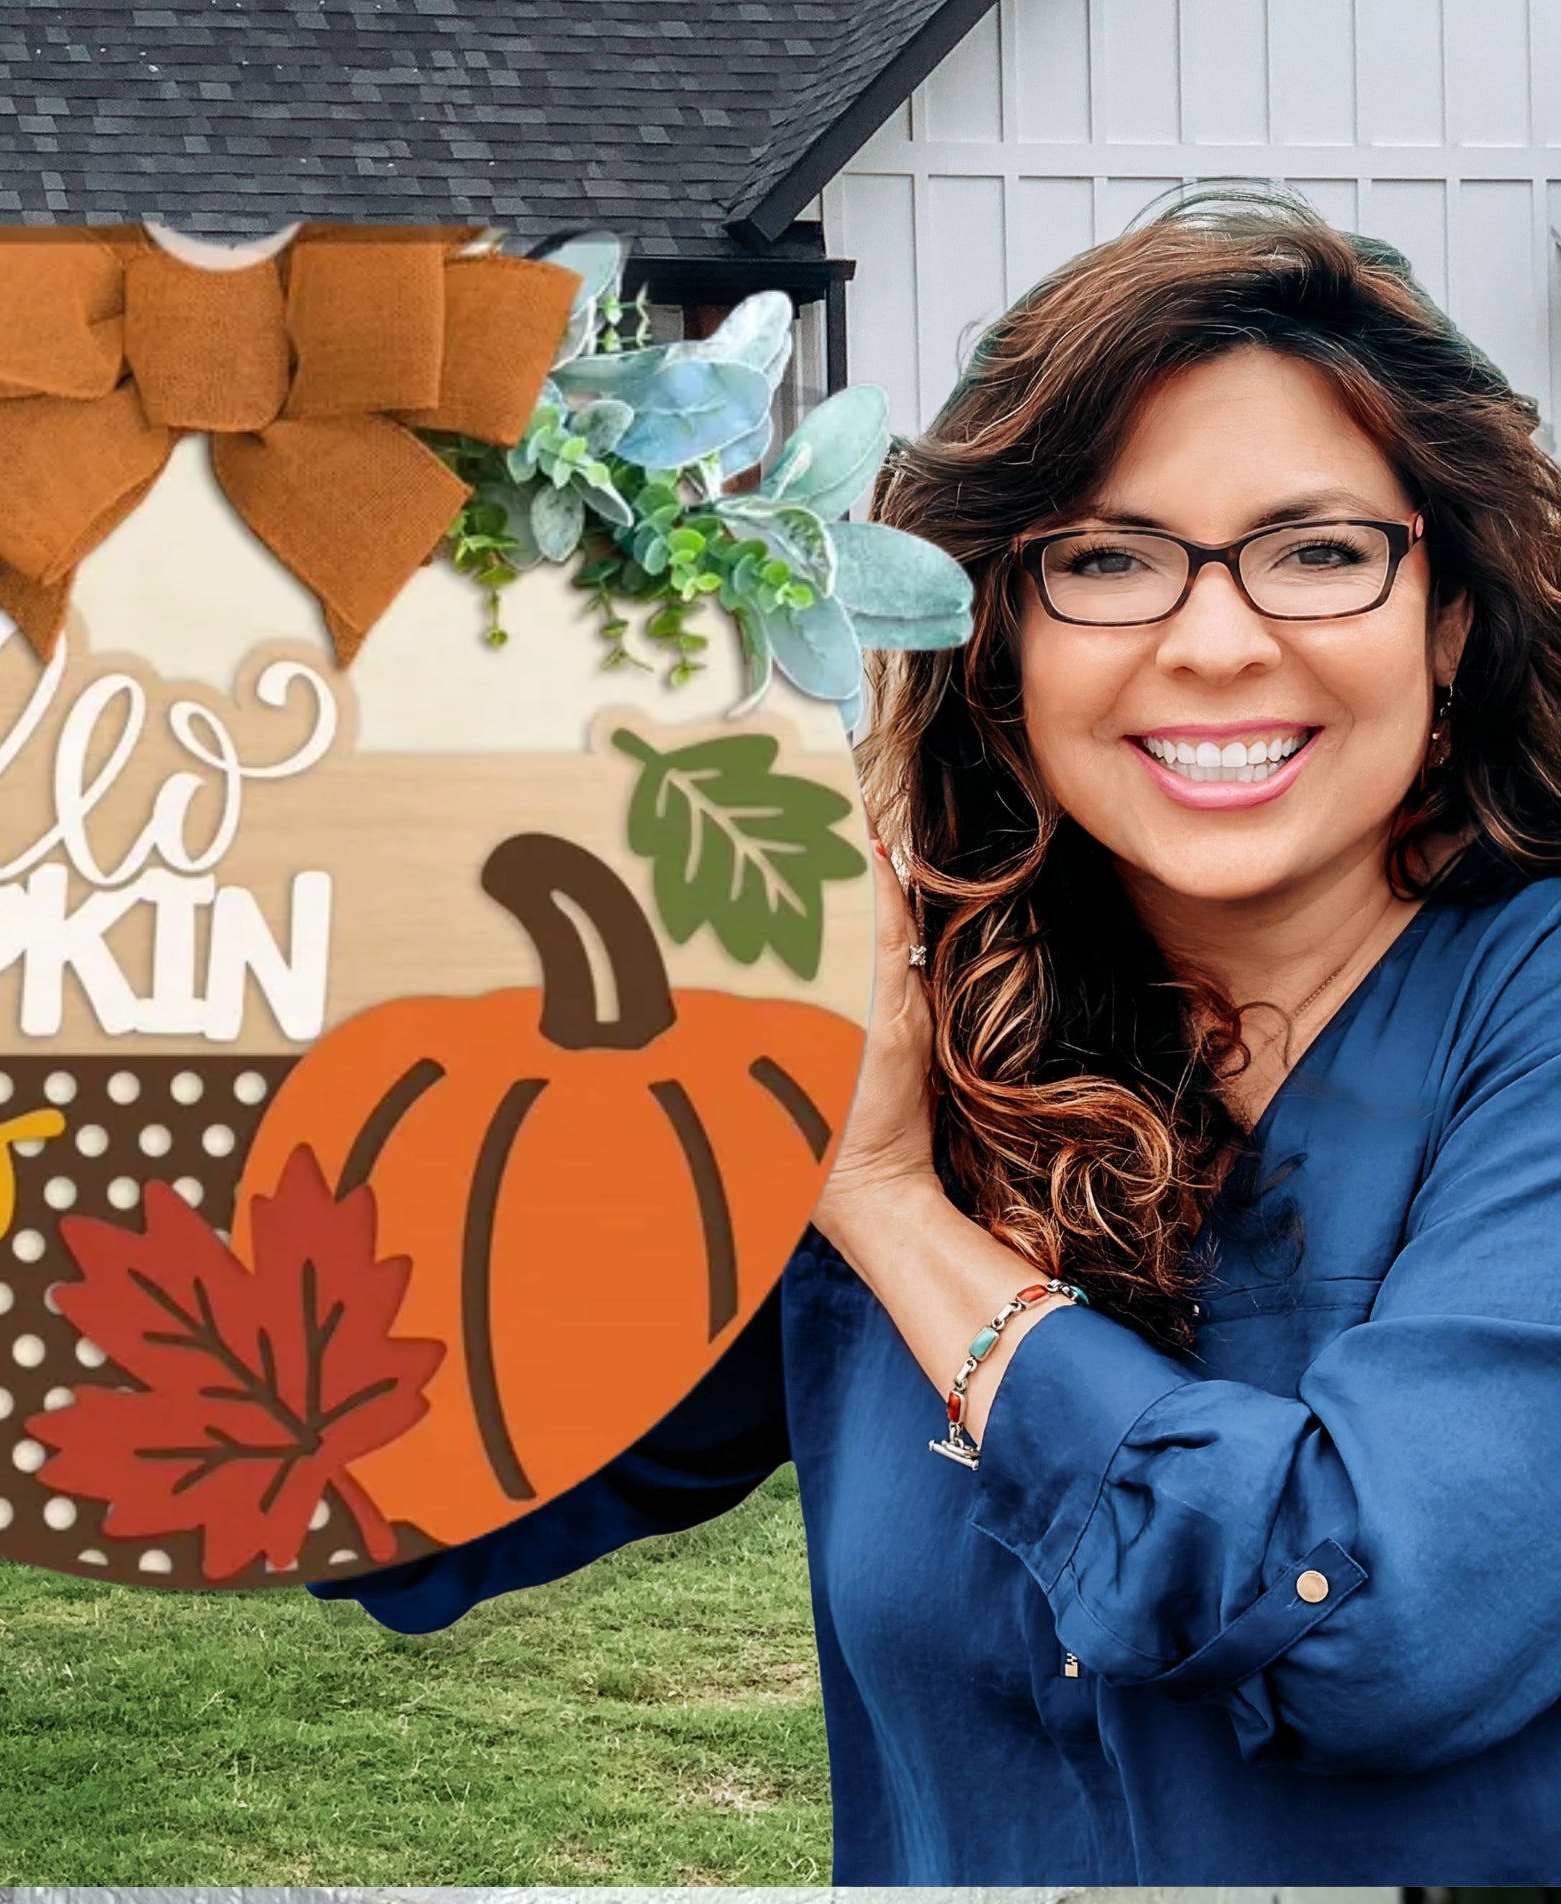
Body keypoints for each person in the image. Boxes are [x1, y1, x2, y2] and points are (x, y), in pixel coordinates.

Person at [312, 185, 1561, 1882]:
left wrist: (895, 1210)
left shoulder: (1525, 1019)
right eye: (1106, 560)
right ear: (1002, 641)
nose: (1212, 641)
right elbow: (409, 1476)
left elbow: (1377, 1625)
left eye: (1318, 551)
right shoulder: (917, 1018)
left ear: (1453, 616)